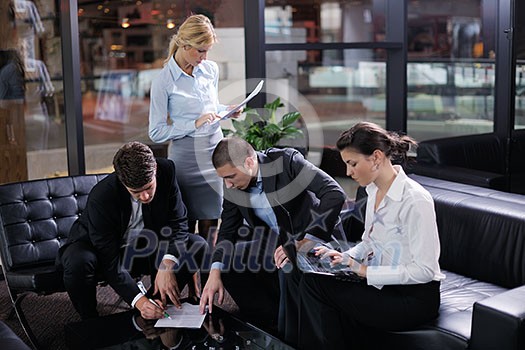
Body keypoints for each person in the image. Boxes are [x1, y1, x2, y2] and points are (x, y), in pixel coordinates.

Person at [298, 122, 445, 349]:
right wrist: (343, 257)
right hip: (382, 287)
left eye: (353, 164)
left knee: (317, 287)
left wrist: (364, 271)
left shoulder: (415, 200)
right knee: (312, 277)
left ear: (376, 157)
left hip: (413, 299)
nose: (348, 172)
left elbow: (425, 271)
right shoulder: (373, 190)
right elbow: (369, 242)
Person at [199, 137, 346, 346]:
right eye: (223, 179)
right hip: (278, 244)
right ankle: (270, 322)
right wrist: (214, 272)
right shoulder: (233, 185)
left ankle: (289, 338)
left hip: (317, 241)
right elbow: (227, 231)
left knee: (287, 266)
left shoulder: (287, 162)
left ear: (249, 162)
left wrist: (305, 241)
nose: (227, 185)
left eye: (230, 177)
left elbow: (334, 194)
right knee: (226, 263)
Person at [59, 141, 207, 320]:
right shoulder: (102, 197)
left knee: (197, 244)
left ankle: (155, 303)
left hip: (142, 246)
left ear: (155, 171)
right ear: (123, 183)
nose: (145, 196)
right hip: (98, 250)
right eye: (136, 192)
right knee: (79, 260)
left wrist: (166, 265)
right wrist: (139, 301)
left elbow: (179, 223)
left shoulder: (167, 170)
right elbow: (109, 260)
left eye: (149, 188)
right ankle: (91, 321)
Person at [149, 14, 239, 241]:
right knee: (185, 225)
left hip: (213, 153)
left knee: (212, 222)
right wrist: (193, 124)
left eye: (207, 50)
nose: (205, 57)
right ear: (184, 44)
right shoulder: (163, 80)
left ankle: (211, 273)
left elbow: (209, 107)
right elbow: (156, 132)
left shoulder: (210, 70)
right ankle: (189, 276)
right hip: (185, 159)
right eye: (200, 50)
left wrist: (226, 109)